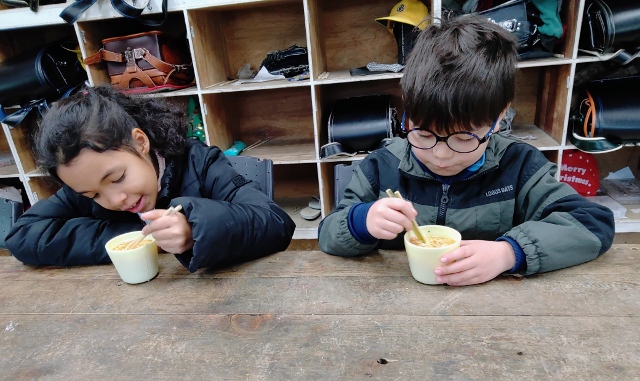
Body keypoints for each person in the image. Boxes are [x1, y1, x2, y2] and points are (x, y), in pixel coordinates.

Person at [318, 14, 615, 286]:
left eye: (463, 138)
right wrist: (362, 221)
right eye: (423, 134)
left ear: (499, 117)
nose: (441, 155)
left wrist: (509, 253)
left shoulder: (519, 165)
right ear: (407, 113)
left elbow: (592, 223)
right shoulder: (382, 165)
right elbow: (328, 233)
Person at [6, 85, 296, 272]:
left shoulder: (200, 163)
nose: (114, 200)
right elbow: (22, 236)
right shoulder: (84, 184)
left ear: (140, 142)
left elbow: (275, 223)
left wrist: (195, 228)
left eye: (117, 177)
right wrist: (136, 239)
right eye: (93, 196)